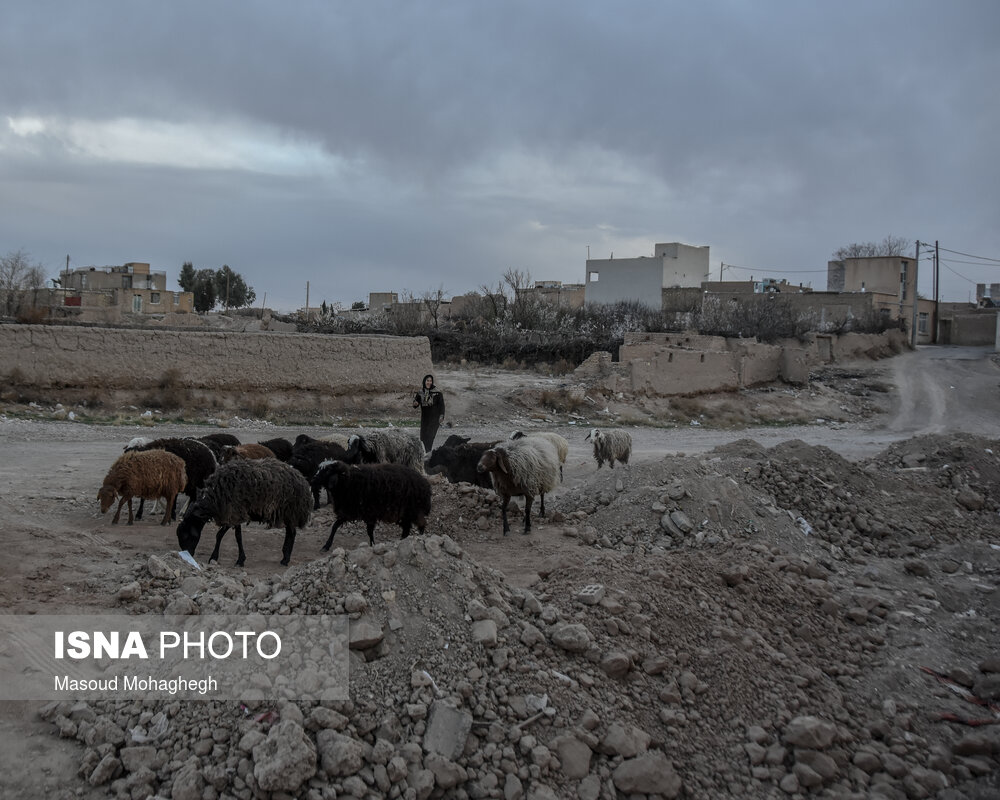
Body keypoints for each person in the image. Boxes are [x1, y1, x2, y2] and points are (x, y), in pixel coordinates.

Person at [413, 374, 445, 452]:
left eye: (430, 381)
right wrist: (415, 403)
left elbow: (442, 405)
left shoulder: (437, 392)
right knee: (423, 438)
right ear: (424, 381)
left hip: (434, 419)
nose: (429, 382)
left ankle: (428, 453)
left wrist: (441, 416)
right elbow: (415, 403)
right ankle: (427, 453)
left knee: (430, 438)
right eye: (427, 381)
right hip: (425, 419)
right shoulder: (420, 392)